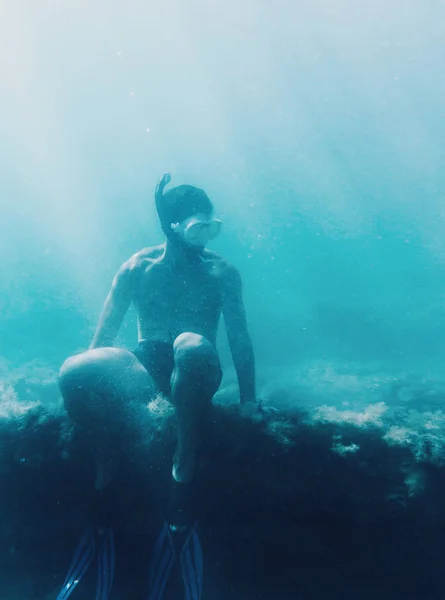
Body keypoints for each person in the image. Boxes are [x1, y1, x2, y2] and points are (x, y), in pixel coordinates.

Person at [58, 172, 257, 530]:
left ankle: (184, 462)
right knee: (74, 368)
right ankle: (106, 464)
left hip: (197, 368)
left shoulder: (221, 273)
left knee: (190, 344)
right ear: (172, 225)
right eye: (198, 227)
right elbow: (103, 338)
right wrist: (88, 395)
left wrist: (249, 401)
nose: (205, 237)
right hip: (143, 373)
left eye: (212, 227)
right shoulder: (137, 268)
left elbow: (240, 339)